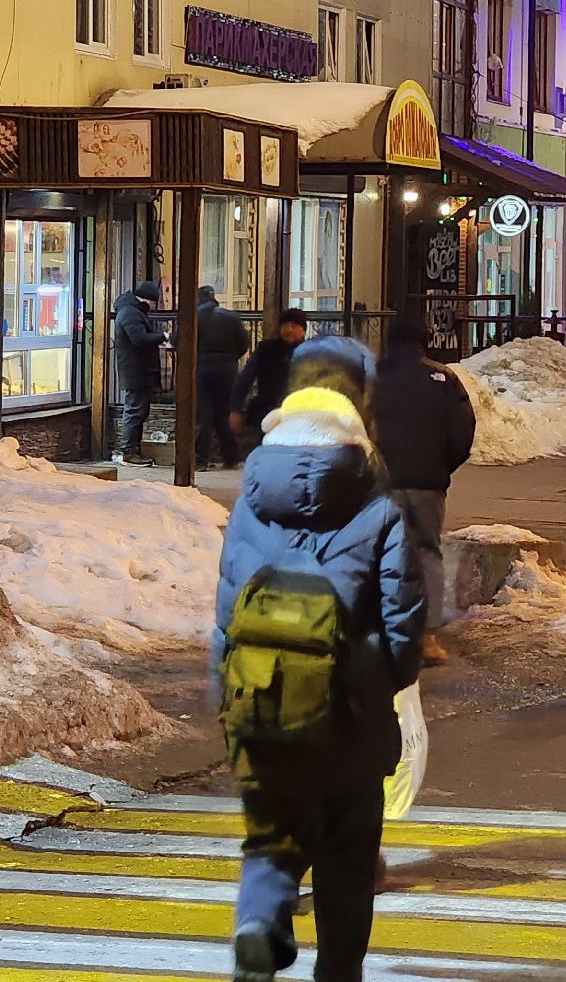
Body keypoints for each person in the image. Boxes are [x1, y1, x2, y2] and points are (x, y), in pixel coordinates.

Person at [213, 364, 424, 982]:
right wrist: (381, 686)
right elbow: (403, 624)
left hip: (262, 706)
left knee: (271, 841)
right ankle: (337, 973)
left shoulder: (250, 510)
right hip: (349, 722)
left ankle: (259, 926)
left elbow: (227, 615)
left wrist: (228, 704)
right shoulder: (382, 513)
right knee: (347, 862)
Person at [374, 318, 477, 670]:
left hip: (382, 485)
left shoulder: (372, 377)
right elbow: (463, 432)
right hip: (428, 484)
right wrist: (440, 466)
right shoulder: (443, 379)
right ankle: (427, 636)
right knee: (427, 553)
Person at [196, 286, 252, 470]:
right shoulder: (231, 317)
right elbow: (244, 344)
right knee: (224, 413)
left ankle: (199, 459)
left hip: (200, 368)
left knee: (202, 415)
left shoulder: (193, 317)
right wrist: (229, 358)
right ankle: (231, 457)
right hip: (227, 369)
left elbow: (178, 341)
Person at [232, 309, 309, 440]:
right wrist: (236, 409)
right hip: (267, 413)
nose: (289, 329)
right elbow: (245, 378)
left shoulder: (312, 352)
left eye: (294, 326)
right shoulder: (266, 349)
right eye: (285, 325)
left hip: (301, 415)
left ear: (303, 330)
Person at [112, 280, 165, 466]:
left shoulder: (130, 311)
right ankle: (128, 451)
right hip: (136, 372)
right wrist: (162, 337)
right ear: (147, 299)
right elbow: (139, 338)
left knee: (138, 412)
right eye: (153, 303)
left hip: (139, 371)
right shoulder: (130, 313)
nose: (153, 307)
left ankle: (133, 449)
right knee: (135, 411)